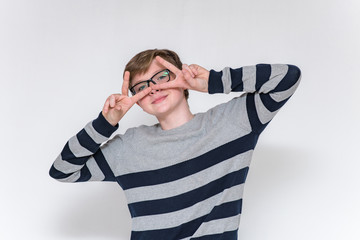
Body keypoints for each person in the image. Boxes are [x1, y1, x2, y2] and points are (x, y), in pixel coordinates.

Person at [49, 48, 302, 240]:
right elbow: (63, 170)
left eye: (161, 77)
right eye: (141, 87)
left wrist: (213, 81)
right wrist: (105, 123)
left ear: (182, 78)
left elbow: (288, 78)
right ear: (137, 100)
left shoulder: (232, 124)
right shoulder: (130, 148)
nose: (153, 89)